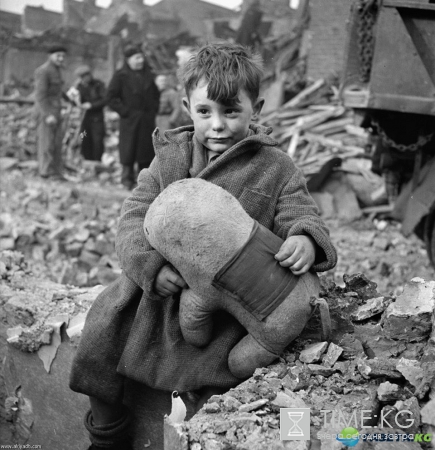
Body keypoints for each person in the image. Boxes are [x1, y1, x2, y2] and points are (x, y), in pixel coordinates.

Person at [69, 43, 337, 449]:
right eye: (205, 112)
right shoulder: (169, 159)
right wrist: (150, 267)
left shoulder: (274, 167)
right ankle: (106, 434)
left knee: (217, 372)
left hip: (224, 303)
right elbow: (132, 216)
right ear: (186, 107)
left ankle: (198, 430)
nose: (217, 126)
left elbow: (301, 211)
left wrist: (304, 238)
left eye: (232, 112)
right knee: (103, 335)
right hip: (158, 293)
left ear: (256, 109)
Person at [106, 44, 160, 190]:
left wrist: (153, 109)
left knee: (145, 151)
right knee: (128, 149)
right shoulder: (120, 76)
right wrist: (125, 112)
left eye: (141, 58)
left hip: (146, 119)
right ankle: (126, 179)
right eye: (136, 58)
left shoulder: (148, 74)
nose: (140, 61)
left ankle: (144, 181)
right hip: (130, 120)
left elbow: (155, 95)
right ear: (128, 60)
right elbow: (110, 98)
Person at [34, 44, 68, 180]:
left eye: (63, 56)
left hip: (57, 111)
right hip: (46, 112)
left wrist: (69, 98)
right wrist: (47, 115)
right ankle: (45, 172)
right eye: (58, 56)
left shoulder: (57, 70)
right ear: (50, 56)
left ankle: (55, 172)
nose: (61, 58)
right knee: (46, 143)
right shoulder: (43, 71)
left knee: (56, 143)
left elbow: (58, 92)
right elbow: (40, 95)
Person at [73, 65, 107, 161]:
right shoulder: (79, 87)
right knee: (84, 138)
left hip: (97, 119)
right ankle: (86, 159)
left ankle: (97, 161)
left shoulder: (98, 85)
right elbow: (75, 101)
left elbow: (105, 99)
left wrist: (91, 105)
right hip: (84, 120)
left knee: (97, 141)